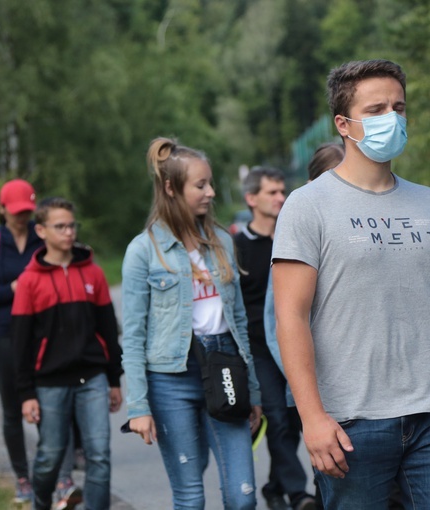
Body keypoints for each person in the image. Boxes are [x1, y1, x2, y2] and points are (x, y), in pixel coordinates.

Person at [271, 59, 430, 509]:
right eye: (376, 109)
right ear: (344, 123)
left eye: (398, 107)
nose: (392, 119)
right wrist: (313, 417)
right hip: (352, 422)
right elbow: (290, 317)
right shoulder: (307, 206)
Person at [122, 137, 263, 509]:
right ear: (171, 188)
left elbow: (238, 321)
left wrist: (253, 391)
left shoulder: (220, 241)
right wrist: (138, 407)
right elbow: (133, 337)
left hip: (226, 371)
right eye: (200, 185)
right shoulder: (143, 251)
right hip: (171, 379)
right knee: (189, 497)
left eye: (210, 183)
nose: (211, 192)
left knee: (243, 496)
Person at [12, 197, 123, 510]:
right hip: (49, 383)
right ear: (42, 231)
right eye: (60, 226)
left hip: (93, 378)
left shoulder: (94, 274)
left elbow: (108, 331)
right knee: (50, 455)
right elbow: (20, 344)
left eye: (72, 225)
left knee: (99, 454)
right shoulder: (29, 281)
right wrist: (26, 394)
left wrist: (115, 379)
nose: (68, 232)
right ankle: (41, 503)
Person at [0, 179, 77, 504]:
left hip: (45, 336)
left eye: (27, 212)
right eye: (16, 212)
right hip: (5, 335)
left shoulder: (42, 236)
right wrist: (13, 290)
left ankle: (62, 478)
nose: (21, 217)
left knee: (53, 406)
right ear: (2, 210)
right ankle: (22, 478)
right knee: (12, 410)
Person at [264, 142, 345, 510]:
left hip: (360, 384)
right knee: (326, 466)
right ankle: (294, 492)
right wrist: (300, 375)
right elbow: (278, 319)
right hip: (311, 380)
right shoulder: (298, 230)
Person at [234, 168, 314, 510]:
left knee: (297, 417)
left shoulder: (293, 236)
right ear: (251, 199)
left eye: (283, 191)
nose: (281, 198)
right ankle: (298, 494)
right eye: (272, 193)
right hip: (257, 349)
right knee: (277, 419)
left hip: (295, 340)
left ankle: (273, 486)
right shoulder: (235, 247)